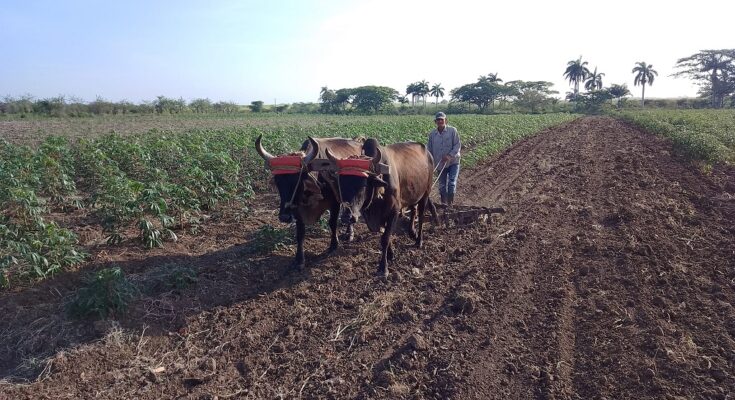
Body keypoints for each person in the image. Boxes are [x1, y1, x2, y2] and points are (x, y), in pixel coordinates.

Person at [426, 111, 461, 207]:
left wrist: (449, 156)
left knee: (451, 183)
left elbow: (457, 145)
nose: (440, 121)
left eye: (442, 119)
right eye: (438, 120)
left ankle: (450, 204)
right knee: (441, 186)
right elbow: (429, 149)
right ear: (435, 122)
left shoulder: (452, 131)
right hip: (440, 164)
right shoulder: (432, 134)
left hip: (453, 162)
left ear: (446, 120)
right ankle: (443, 204)